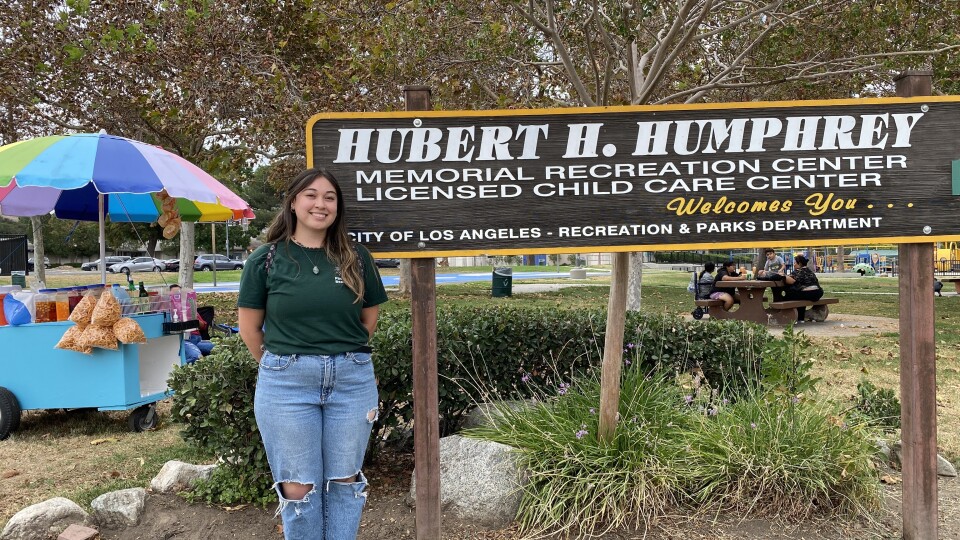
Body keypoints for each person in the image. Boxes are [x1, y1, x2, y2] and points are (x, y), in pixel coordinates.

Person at [237, 168, 388, 540]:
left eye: (329, 198)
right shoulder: (266, 260)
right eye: (311, 195)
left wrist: (339, 354)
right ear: (293, 202)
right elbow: (249, 329)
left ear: (337, 207)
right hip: (286, 385)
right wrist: (286, 365)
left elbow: (369, 316)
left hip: (352, 382)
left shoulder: (356, 257)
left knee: (344, 482)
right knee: (298, 489)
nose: (320, 204)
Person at [169, 284, 214, 363]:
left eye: (179, 294)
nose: (177, 296)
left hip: (198, 340)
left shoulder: (190, 309)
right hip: (184, 340)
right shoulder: (169, 312)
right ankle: (180, 369)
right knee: (197, 357)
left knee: (222, 347)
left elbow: (204, 326)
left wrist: (194, 320)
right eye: (174, 295)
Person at [783, 254, 823, 323]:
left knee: (790, 295)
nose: (794, 265)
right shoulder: (810, 271)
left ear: (800, 264)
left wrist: (782, 275)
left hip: (807, 293)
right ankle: (801, 317)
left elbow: (789, 280)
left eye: (795, 263)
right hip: (818, 293)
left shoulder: (797, 271)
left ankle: (797, 317)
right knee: (800, 295)